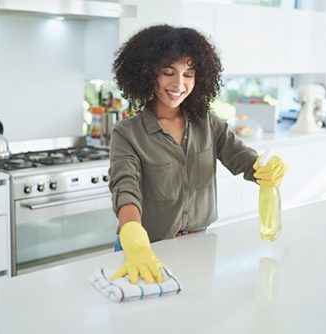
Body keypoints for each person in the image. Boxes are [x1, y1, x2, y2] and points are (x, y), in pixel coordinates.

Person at [108, 25, 286, 284]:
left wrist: (267, 167)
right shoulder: (127, 134)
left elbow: (245, 162)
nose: (179, 84)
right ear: (147, 74)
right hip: (146, 251)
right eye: (168, 72)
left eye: (188, 74)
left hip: (199, 247)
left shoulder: (208, 124)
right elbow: (126, 190)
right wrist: (135, 241)